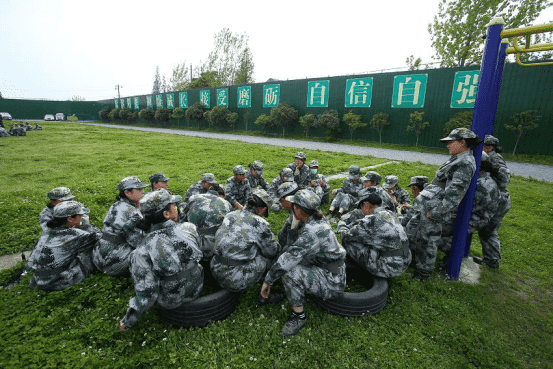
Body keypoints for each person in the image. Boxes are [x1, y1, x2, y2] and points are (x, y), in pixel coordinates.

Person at [260, 190, 346, 336]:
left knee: (289, 272)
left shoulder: (312, 231)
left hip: (332, 280)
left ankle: (299, 316)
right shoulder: (314, 219)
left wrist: (268, 281)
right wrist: (293, 226)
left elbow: (288, 257)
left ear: (299, 209)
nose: (292, 208)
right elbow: (288, 243)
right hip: (325, 266)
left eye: (294, 206)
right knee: (290, 262)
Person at [119, 189, 203, 331]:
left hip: (171, 300)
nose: (177, 207)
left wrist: (127, 322)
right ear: (166, 214)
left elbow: (147, 294)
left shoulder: (141, 251)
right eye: (173, 205)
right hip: (198, 287)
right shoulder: (189, 228)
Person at [411, 128, 481, 280]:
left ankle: (423, 272)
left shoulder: (465, 163)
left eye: (451, 142)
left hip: (434, 209)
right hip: (428, 205)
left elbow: (454, 195)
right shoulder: (457, 158)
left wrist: (436, 212)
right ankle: (414, 262)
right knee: (418, 234)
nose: (448, 145)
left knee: (428, 239)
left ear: (463, 142)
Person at [211, 189, 281, 299]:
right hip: (234, 279)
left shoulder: (231, 214)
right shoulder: (260, 223)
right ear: (262, 209)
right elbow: (271, 251)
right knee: (272, 257)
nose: (263, 215)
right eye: (264, 212)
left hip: (215, 269)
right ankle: (266, 290)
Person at [28, 201, 100, 291]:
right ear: (70, 219)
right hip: (58, 283)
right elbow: (101, 237)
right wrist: (85, 226)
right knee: (91, 249)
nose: (82, 217)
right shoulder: (76, 235)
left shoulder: (47, 231)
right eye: (80, 215)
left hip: (38, 280)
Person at [338, 192, 411, 279]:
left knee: (348, 241)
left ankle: (353, 264)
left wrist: (341, 225)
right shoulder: (390, 213)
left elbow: (347, 235)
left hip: (390, 267)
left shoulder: (370, 220)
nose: (361, 211)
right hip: (405, 259)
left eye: (361, 207)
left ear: (366, 204)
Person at [93, 176, 147, 277]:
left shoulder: (115, 205)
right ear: (127, 193)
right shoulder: (132, 212)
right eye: (139, 189)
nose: (143, 192)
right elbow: (138, 242)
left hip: (97, 258)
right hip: (114, 263)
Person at [473, 135, 512, 269]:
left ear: (489, 147)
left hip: (499, 199)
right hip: (497, 197)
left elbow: (505, 179)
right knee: (488, 230)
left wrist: (492, 172)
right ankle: (491, 258)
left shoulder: (494, 158)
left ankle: (492, 260)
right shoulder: (492, 156)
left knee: (489, 230)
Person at [184, 193, 233, 260]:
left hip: (201, 233)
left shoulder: (194, 198)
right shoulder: (226, 203)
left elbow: (187, 218)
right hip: (219, 233)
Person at [275, 181, 300, 251]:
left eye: (281, 200)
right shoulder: (296, 208)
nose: (279, 203)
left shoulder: (302, 214)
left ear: (289, 199)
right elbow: (283, 234)